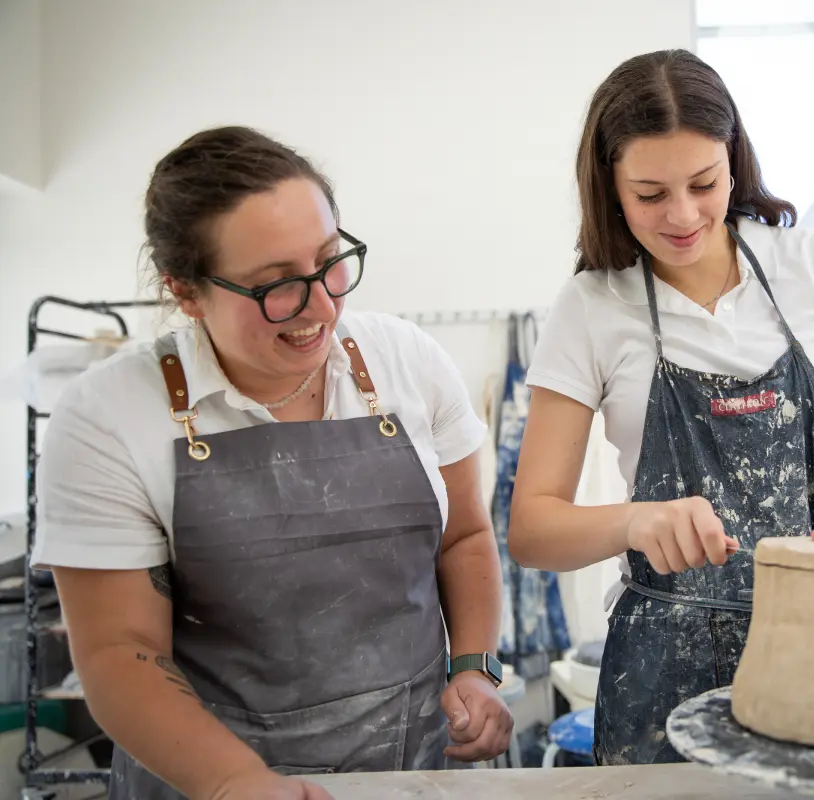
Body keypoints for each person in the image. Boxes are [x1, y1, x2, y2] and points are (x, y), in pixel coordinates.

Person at [508, 49, 814, 766]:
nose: (683, 215)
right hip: (662, 679)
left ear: (734, 162)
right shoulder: (592, 306)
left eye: (703, 183)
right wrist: (634, 521)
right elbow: (533, 528)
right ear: (609, 187)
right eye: (650, 194)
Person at [32, 126, 513, 800]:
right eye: (276, 285)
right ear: (185, 291)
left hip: (416, 764)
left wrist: (474, 668)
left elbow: (464, 537)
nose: (322, 305)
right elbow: (120, 652)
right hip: (210, 778)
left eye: (329, 260)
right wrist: (235, 782)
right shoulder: (106, 418)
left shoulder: (408, 361)